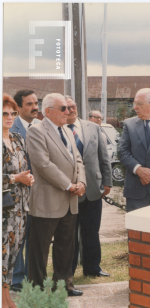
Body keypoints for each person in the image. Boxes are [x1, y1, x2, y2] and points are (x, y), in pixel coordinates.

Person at [26, 93, 86, 297]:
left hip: (70, 201)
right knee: (39, 250)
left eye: (69, 108)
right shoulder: (36, 131)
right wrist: (69, 185)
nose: (68, 112)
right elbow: (43, 165)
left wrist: (82, 183)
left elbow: (78, 159)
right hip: (47, 201)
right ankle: (37, 289)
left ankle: (63, 286)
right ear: (48, 111)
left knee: (66, 247)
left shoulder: (67, 131)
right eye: (63, 108)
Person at [65, 97, 112, 278]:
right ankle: (68, 270)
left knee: (92, 231)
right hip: (69, 190)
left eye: (74, 106)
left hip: (92, 188)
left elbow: (103, 157)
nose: (71, 110)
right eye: (67, 107)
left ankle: (93, 267)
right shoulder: (59, 129)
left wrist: (107, 182)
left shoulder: (92, 127)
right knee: (69, 234)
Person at [2, 94, 35, 308]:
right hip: (3, 210)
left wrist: (27, 178)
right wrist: (15, 178)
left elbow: (24, 168)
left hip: (20, 209)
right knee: (2, 256)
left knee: (13, 256)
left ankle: (6, 298)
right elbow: (14, 174)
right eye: (4, 113)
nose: (9, 117)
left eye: (13, 113)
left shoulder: (17, 138)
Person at [9, 90, 41, 292]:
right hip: (17, 192)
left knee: (34, 237)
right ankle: (17, 278)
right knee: (18, 237)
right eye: (29, 104)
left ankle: (32, 276)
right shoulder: (11, 127)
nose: (35, 107)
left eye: (36, 102)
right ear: (18, 108)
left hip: (40, 192)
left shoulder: (42, 127)